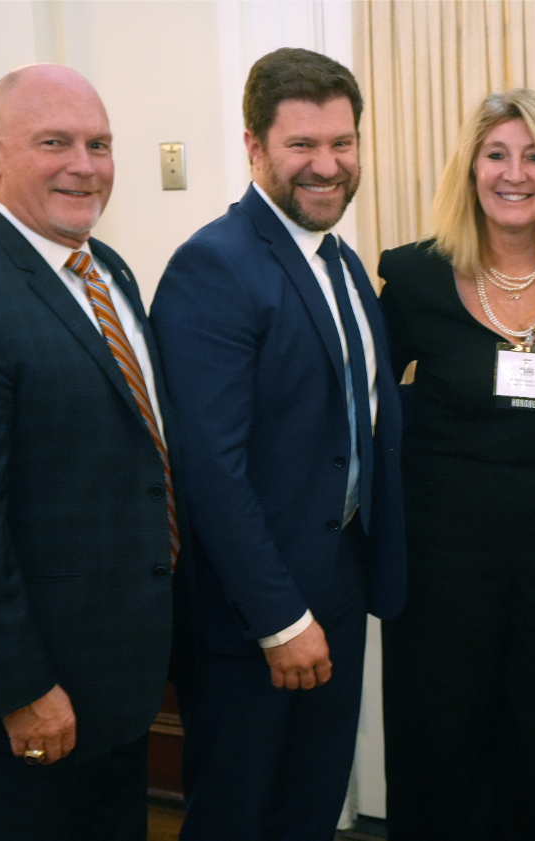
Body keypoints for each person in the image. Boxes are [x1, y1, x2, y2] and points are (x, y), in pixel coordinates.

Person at [0, 64, 177, 841]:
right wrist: (22, 689)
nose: (84, 165)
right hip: (27, 693)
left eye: (98, 144)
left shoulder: (108, 271)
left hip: (113, 678)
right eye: (54, 142)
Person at [149, 47, 405, 841]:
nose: (327, 165)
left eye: (342, 142)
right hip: (254, 611)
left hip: (338, 582)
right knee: (238, 813)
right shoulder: (213, 265)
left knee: (309, 806)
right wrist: (280, 619)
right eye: (302, 144)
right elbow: (209, 468)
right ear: (254, 147)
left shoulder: (342, 262)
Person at [377, 88, 535, 841]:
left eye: (534, 156)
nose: (514, 173)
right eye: (496, 154)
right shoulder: (415, 275)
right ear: (470, 169)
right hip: (441, 558)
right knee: (443, 740)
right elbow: (368, 403)